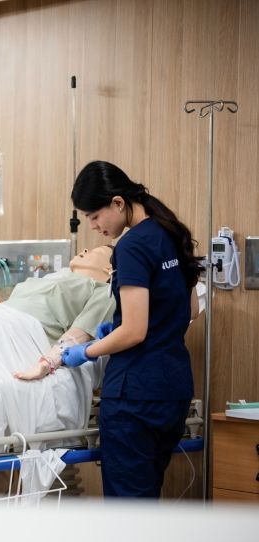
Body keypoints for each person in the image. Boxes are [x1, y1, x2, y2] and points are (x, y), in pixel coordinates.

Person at [60, 160, 202, 498]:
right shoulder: (171, 231)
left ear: (118, 203)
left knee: (128, 515)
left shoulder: (132, 246)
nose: (93, 226)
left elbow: (134, 332)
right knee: (144, 504)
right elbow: (191, 309)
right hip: (173, 392)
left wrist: (86, 351)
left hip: (135, 398)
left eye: (95, 216)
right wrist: (128, 324)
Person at [11, 245, 116, 381]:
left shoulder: (106, 292)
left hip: (21, 327)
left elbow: (80, 333)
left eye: (95, 252)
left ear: (109, 269)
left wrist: (49, 362)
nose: (84, 250)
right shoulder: (54, 277)